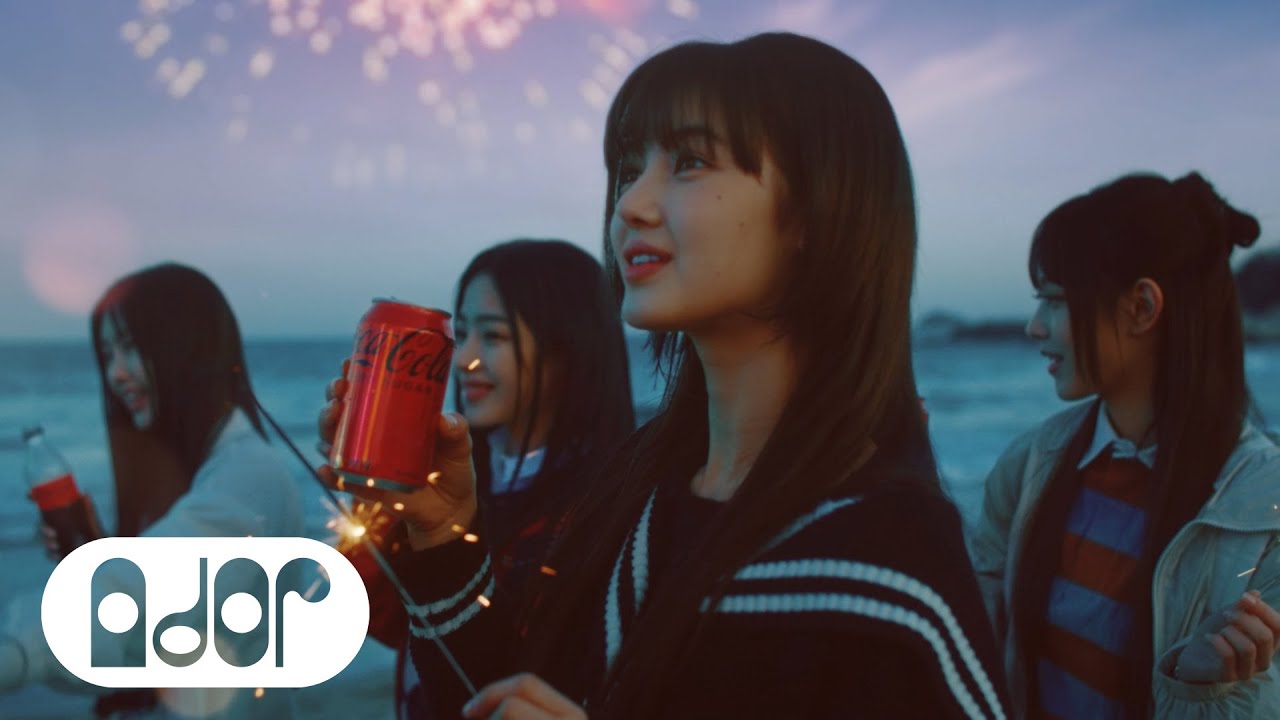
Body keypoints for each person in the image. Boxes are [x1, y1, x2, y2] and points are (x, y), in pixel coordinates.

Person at [321, 32, 1008, 719]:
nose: (631, 205)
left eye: (690, 162)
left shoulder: (885, 562)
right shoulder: (633, 493)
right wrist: (444, 534)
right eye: (628, 170)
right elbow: (511, 699)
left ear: (814, 211)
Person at [968, 172, 1280, 718]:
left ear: (1141, 307)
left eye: (1055, 301)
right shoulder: (1029, 466)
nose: (1035, 327)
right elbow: (975, 647)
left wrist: (1199, 686)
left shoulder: (1266, 508)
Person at [327, 239, 636, 718]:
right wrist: (378, 501)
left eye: (493, 336)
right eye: (464, 332)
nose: (462, 358)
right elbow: (390, 621)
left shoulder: (611, 514)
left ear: (569, 349)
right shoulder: (456, 479)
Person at [0, 262, 305, 720]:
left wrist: (18, 651)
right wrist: (96, 556)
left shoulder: (248, 476)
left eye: (131, 348)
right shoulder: (190, 470)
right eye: (107, 354)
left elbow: (141, 596)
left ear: (188, 347)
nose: (116, 374)